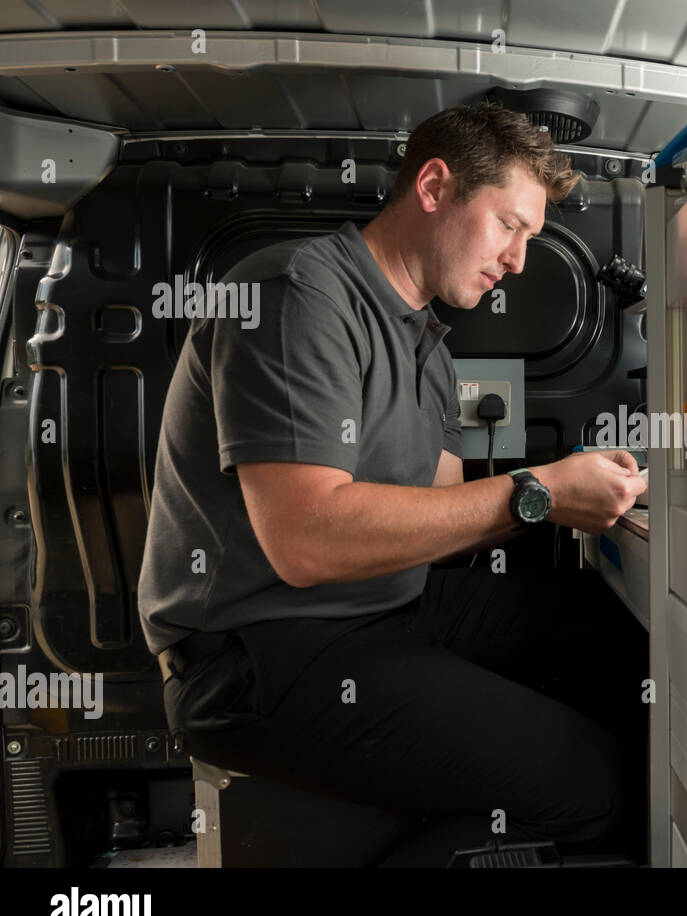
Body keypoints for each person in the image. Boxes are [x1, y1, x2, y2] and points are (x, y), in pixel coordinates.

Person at [136, 102, 650, 865]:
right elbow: (306, 541)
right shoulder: (296, 294)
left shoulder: (428, 346)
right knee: (595, 783)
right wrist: (538, 488)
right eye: (509, 225)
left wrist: (570, 492)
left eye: (531, 240)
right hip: (258, 651)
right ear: (435, 187)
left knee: (606, 634)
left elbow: (444, 519)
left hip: (382, 607)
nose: (518, 261)